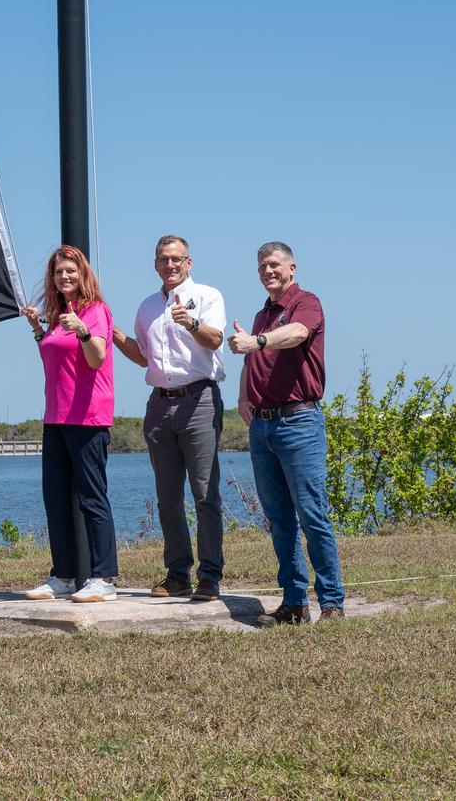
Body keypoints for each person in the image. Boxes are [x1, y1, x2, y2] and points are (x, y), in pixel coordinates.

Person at [228, 241, 345, 624]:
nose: (268, 271)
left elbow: (296, 334)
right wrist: (244, 397)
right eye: (262, 266)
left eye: (275, 264)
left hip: (299, 423)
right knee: (279, 518)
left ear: (292, 268)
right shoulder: (263, 314)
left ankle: (331, 603)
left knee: (313, 515)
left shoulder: (305, 303)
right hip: (263, 427)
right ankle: (294, 603)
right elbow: (252, 358)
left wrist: (257, 341)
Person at [110, 234, 228, 601]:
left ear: (189, 262)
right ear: (156, 264)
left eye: (177, 259)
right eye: (164, 259)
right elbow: (144, 357)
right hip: (160, 404)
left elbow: (216, 340)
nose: (171, 265)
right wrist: (113, 334)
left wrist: (190, 323)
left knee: (205, 493)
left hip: (199, 399)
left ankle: (209, 577)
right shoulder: (147, 307)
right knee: (167, 497)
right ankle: (178, 574)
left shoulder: (208, 296)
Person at [19, 245, 119, 603]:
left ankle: (104, 578)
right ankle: (62, 575)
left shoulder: (96, 311)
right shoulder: (58, 313)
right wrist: (37, 329)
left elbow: (96, 358)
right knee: (55, 497)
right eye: (59, 271)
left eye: (71, 271)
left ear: (83, 274)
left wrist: (81, 330)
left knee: (92, 497)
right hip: (56, 416)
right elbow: (53, 357)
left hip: (88, 417)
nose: (65, 276)